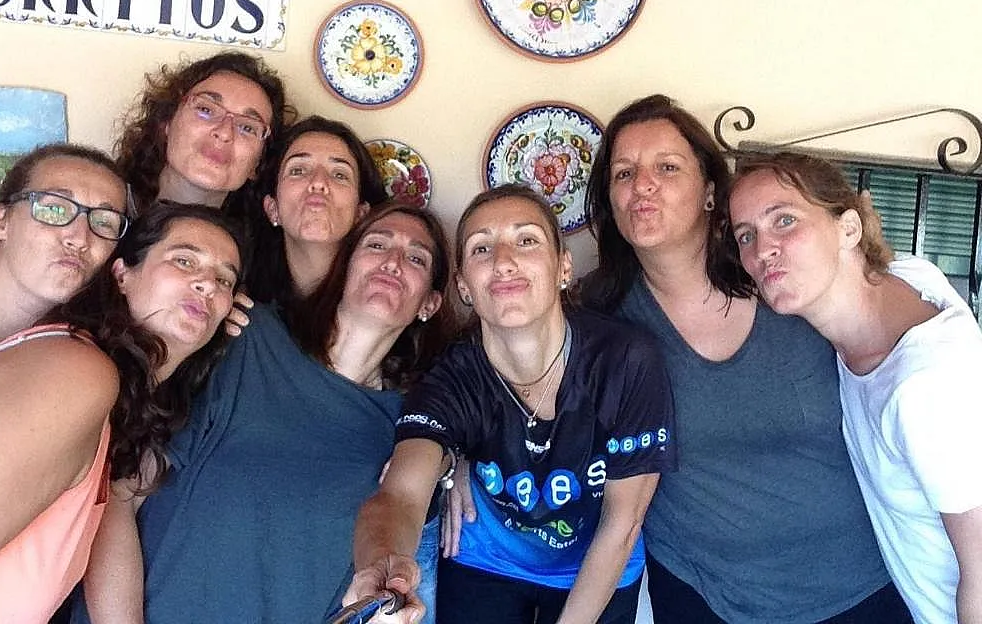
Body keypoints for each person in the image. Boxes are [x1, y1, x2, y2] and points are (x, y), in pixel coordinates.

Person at [581, 95, 911, 623]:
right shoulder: (597, 318)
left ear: (711, 192)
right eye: (624, 173)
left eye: (667, 168)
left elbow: (911, 338)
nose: (643, 184)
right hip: (702, 596)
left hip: (857, 590)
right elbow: (516, 387)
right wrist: (460, 458)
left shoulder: (787, 283)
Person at [86, 202, 454, 623]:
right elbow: (120, 494)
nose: (393, 262)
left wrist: (453, 461)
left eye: (416, 258)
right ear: (343, 267)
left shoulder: (412, 428)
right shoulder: (247, 337)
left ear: (429, 303)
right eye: (377, 245)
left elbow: (398, 517)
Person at [345, 184, 675, 624]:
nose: (503, 261)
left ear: (563, 266)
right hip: (488, 561)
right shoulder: (451, 378)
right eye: (481, 249)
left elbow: (622, 523)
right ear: (463, 286)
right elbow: (401, 495)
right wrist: (382, 563)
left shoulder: (626, 360)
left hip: (597, 561)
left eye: (526, 240)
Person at [729, 152, 982, 624]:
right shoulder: (910, 277)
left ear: (848, 228)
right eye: (746, 235)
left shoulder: (925, 388)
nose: (762, 250)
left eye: (784, 220)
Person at [0, 201, 241, 623]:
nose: (207, 285)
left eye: (224, 280)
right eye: (184, 261)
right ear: (122, 274)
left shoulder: (118, 416)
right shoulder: (73, 374)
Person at [0, 143, 129, 362]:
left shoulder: (76, 355)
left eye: (104, 222)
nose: (80, 239)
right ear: (1, 221)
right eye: (55, 209)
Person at [114, 50, 290, 212]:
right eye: (206, 109)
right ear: (167, 122)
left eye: (247, 127)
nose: (224, 133)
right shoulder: (106, 206)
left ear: (258, 163)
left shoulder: (258, 236)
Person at [247, 115, 387, 306]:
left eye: (339, 175)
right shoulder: (241, 304)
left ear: (360, 213)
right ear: (273, 209)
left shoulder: (384, 304)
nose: (319, 182)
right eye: (298, 171)